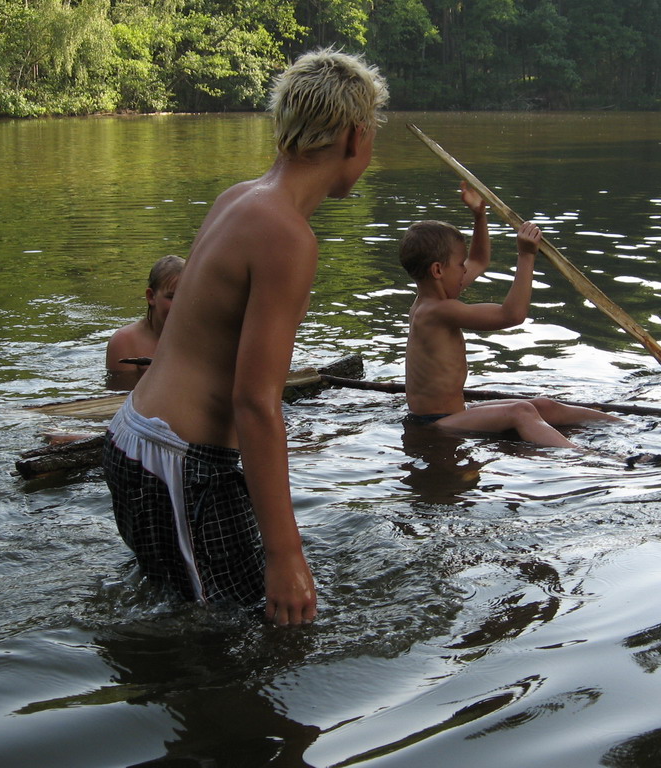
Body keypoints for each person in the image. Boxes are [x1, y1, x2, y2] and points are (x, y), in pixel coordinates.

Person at [102, 48, 388, 626]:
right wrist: (287, 556)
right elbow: (255, 400)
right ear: (356, 136)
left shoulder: (240, 198)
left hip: (143, 440)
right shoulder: (287, 234)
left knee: (199, 622)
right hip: (178, 460)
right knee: (258, 631)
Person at [399, 184, 623, 450]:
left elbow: (478, 260)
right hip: (436, 422)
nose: (465, 271)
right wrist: (526, 255)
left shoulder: (434, 297)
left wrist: (479, 215)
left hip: (456, 411)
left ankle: (629, 426)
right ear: (438, 270)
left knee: (542, 405)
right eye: (459, 265)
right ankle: (587, 457)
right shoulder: (438, 311)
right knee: (521, 412)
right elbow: (512, 315)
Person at [105, 255, 185, 389]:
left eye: (185, 296)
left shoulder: (202, 336)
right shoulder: (124, 341)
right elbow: (121, 397)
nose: (180, 304)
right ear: (151, 296)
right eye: (171, 297)